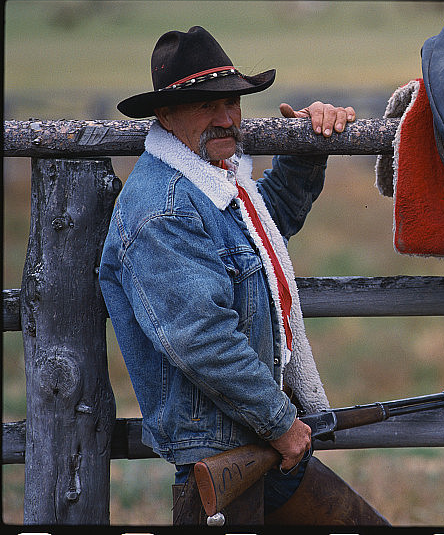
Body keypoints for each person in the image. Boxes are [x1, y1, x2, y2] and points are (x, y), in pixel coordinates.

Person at [99, 26, 388, 526]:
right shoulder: (162, 209)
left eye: (232, 102)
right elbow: (201, 337)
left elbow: (263, 230)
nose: (226, 118)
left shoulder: (214, 181)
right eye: (206, 105)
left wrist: (306, 150)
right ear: (164, 115)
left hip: (256, 444)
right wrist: (280, 423)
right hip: (224, 451)